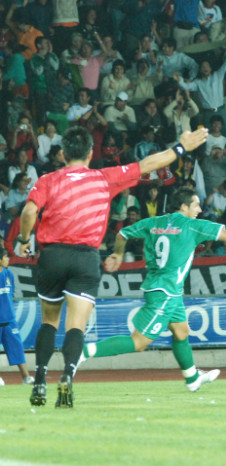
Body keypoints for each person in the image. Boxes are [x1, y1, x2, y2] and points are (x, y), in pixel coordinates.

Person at [19, 126, 209, 408]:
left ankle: (39, 380)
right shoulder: (103, 177)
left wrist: (24, 240)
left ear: (63, 154)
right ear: (90, 153)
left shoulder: (48, 179)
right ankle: (68, 376)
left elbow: (29, 211)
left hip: (53, 255)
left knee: (49, 322)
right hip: (86, 258)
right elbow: (148, 164)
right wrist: (181, 148)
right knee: (76, 326)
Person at [80, 187, 226, 391]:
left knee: (181, 332)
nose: (200, 210)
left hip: (164, 289)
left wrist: (118, 254)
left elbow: (122, 233)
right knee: (139, 342)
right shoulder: (192, 226)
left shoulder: (154, 222)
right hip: (165, 292)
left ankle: (192, 377)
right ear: (184, 206)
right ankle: (83, 351)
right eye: (196, 205)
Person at [0, 246, 34, 386]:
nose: (8, 259)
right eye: (5, 256)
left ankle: (26, 377)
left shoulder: (9, 274)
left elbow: (11, 295)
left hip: (9, 319)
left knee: (17, 347)